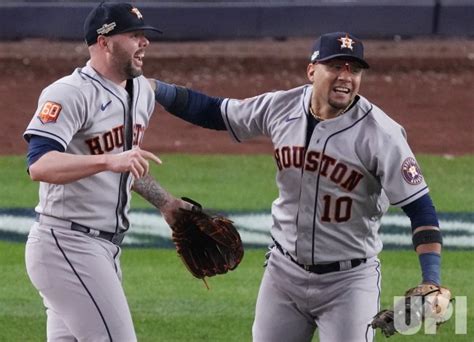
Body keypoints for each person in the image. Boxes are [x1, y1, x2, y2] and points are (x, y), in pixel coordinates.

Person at [151, 32, 443, 341]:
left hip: (349, 282)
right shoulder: (282, 106)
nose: (345, 77)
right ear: (312, 70)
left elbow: (420, 208)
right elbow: (215, 111)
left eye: (354, 69)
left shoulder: (381, 134)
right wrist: (153, 88)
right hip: (283, 273)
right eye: (335, 67)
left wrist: (431, 278)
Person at [23, 3, 187, 341]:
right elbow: (40, 164)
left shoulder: (140, 91)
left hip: (102, 249)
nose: (145, 43)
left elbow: (126, 164)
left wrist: (165, 202)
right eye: (134, 35)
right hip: (67, 244)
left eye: (145, 36)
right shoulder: (69, 92)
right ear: (105, 41)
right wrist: (108, 161)